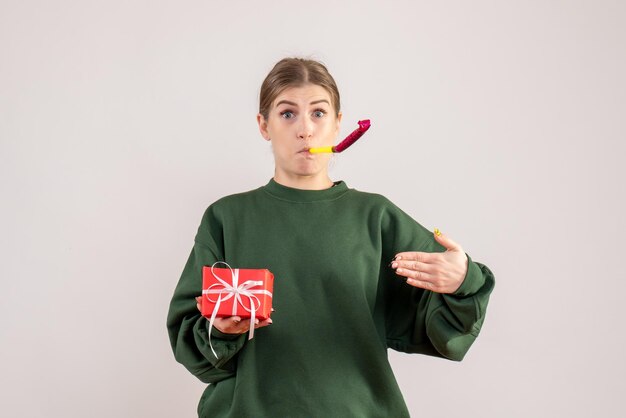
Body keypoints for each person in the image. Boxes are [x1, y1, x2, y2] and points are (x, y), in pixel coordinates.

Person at [166, 57, 495, 417]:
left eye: (319, 113)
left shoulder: (376, 217)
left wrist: (463, 279)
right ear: (264, 125)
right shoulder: (226, 218)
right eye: (287, 114)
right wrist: (223, 331)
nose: (305, 129)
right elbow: (194, 345)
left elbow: (445, 327)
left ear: (338, 124)